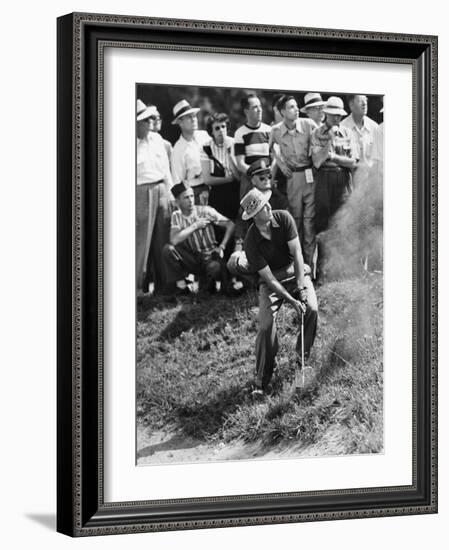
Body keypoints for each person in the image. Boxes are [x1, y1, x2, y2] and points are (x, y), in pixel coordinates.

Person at [238, 188, 318, 397]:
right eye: (264, 206)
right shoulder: (250, 242)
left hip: (295, 272)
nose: (269, 206)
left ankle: (302, 361)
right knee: (265, 327)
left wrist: (300, 286)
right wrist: (291, 300)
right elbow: (270, 280)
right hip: (271, 282)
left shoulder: (283, 218)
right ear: (255, 216)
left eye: (267, 202)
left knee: (311, 308)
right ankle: (262, 379)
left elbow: (298, 254)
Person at [162, 182, 235, 294]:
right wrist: (195, 226)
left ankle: (210, 285)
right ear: (177, 202)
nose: (191, 200)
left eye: (191, 196)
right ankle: (182, 288)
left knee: (214, 267)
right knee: (168, 250)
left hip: (209, 256)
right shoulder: (176, 215)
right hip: (193, 258)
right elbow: (174, 239)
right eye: (186, 197)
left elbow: (230, 224)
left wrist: (222, 246)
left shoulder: (205, 211)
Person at [270, 95, 316, 267]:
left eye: (296, 106)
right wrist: (280, 164)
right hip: (292, 178)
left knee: (309, 222)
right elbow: (270, 150)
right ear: (282, 112)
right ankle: (297, 266)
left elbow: (322, 142)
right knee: (295, 221)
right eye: (291, 107)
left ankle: (311, 268)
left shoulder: (308, 124)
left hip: (310, 176)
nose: (296, 109)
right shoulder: (275, 131)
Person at [136, 99, 172, 294]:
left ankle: (164, 286)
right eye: (144, 120)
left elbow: (166, 170)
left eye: (149, 119)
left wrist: (171, 192)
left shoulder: (157, 139)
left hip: (162, 190)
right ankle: (137, 287)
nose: (149, 123)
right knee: (142, 241)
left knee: (163, 238)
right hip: (140, 192)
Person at [311, 96, 358, 234]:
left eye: (339, 115)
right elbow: (317, 161)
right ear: (326, 113)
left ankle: (340, 255)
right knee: (323, 223)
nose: (336, 118)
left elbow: (353, 162)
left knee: (343, 221)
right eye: (333, 114)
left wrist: (332, 157)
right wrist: (330, 140)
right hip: (324, 180)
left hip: (343, 179)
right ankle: (323, 255)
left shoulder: (348, 133)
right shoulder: (317, 133)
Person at [200, 112, 240, 220]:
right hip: (217, 195)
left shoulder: (235, 143)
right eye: (217, 128)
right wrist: (228, 179)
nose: (221, 130)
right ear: (211, 132)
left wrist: (229, 155)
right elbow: (207, 180)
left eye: (223, 127)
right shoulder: (206, 147)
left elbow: (239, 177)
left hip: (235, 193)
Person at [170, 99, 211, 205]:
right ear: (180, 122)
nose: (193, 119)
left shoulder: (205, 136)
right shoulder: (178, 150)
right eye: (189, 117)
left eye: (194, 116)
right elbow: (178, 182)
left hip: (214, 187)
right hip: (195, 194)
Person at [340, 94, 379, 188]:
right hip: (350, 183)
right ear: (351, 105)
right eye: (360, 101)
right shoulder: (342, 128)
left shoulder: (374, 127)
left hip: (371, 182)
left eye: (365, 100)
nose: (364, 103)